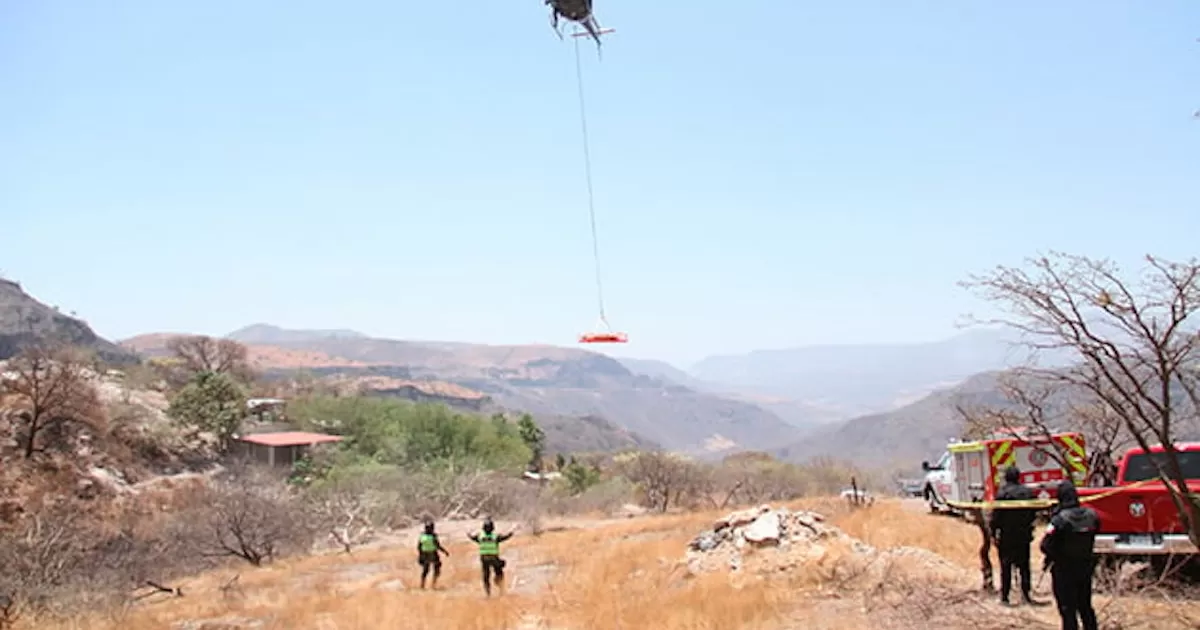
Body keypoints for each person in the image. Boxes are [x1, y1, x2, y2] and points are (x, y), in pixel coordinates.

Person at [1039, 480, 1100, 630]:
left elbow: (1045, 545)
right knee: (1085, 607)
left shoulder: (1059, 520)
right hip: (1085, 568)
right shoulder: (1092, 516)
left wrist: (1055, 556)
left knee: (1068, 610)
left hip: (1064, 570)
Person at [988, 465, 1039, 606]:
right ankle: (1026, 595)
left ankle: (1005, 597)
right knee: (1024, 567)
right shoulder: (1027, 492)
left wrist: (993, 533)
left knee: (1006, 567)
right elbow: (1034, 512)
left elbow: (996, 517)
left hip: (1007, 536)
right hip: (1023, 535)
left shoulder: (1002, 494)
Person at [467, 518, 517, 596]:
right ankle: (501, 589)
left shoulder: (480, 537)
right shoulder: (495, 537)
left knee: (486, 576)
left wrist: (468, 532)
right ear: (492, 528)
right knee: (499, 572)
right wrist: (513, 530)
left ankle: (488, 593)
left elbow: (472, 537)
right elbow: (506, 537)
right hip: (494, 558)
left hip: (484, 559)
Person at [417, 520, 450, 590]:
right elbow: (437, 545)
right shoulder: (433, 536)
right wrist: (445, 551)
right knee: (437, 568)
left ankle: (422, 585)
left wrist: (420, 555)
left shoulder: (422, 536)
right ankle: (433, 584)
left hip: (424, 554)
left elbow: (419, 547)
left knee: (425, 570)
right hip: (432, 554)